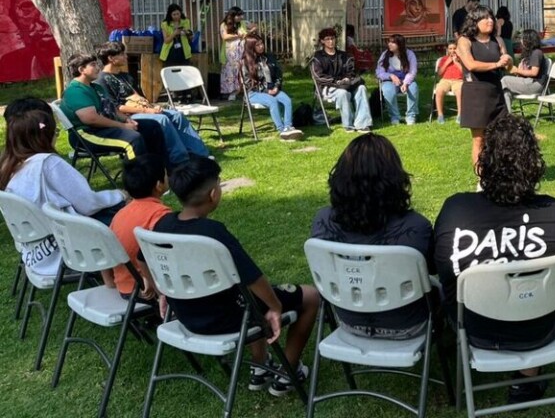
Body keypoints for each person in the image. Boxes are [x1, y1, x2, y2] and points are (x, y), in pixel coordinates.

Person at [433, 114, 555, 404]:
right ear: (534, 162)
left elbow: (441, 270)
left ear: (484, 159)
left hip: (475, 327)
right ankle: (526, 380)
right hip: (542, 327)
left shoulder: (456, 210)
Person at [154, 157, 319, 397]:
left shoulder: (162, 225)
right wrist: (274, 306)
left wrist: (163, 290)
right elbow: (253, 278)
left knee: (246, 296)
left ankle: (260, 368)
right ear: (213, 194)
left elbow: (143, 259)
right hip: (225, 317)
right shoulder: (213, 233)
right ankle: (287, 372)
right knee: (310, 296)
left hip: (187, 315)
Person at [310, 135, 433, 339]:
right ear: (394, 178)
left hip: (350, 322)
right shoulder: (416, 225)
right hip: (407, 324)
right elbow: (430, 269)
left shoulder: (322, 220)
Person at [1, 99, 125, 280]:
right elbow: (89, 204)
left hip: (39, 253)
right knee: (131, 213)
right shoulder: (48, 163)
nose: (56, 136)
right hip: (71, 248)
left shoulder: (9, 168)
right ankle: (134, 274)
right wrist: (120, 194)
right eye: (55, 132)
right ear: (44, 136)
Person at [96, 40, 212, 166]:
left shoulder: (126, 76)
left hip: (142, 109)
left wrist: (152, 106)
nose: (126, 56)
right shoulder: (102, 80)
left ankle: (201, 155)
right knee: (161, 119)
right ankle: (180, 159)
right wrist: (147, 111)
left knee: (176, 115)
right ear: (111, 58)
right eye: (122, 54)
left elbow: (139, 97)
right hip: (127, 116)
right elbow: (116, 108)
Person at [61, 52, 149, 161]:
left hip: (103, 129)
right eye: (93, 65)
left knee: (151, 127)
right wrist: (123, 126)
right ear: (81, 70)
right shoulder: (75, 91)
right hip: (86, 135)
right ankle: (139, 177)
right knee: (133, 139)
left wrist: (127, 120)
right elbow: (91, 119)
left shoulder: (96, 87)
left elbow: (113, 111)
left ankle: (162, 174)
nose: (98, 68)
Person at [456, 6, 511, 168]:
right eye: (485, 18)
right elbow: (471, 65)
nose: (490, 21)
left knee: (502, 136)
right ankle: (481, 177)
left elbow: (507, 66)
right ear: (474, 21)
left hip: (495, 92)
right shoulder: (464, 41)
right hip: (476, 94)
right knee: (479, 139)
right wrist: (496, 63)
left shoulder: (498, 40)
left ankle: (500, 171)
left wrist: (508, 60)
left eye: (491, 18)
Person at [109, 154, 170, 301]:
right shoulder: (160, 214)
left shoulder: (120, 214)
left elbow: (105, 245)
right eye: (167, 174)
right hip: (146, 287)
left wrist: (109, 281)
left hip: (123, 286)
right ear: (159, 185)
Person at [241, 33, 303, 140]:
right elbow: (247, 84)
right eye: (258, 45)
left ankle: (288, 126)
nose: (261, 46)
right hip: (254, 93)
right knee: (272, 101)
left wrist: (276, 87)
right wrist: (266, 91)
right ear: (251, 47)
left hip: (272, 88)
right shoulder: (246, 62)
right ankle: (282, 129)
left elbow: (278, 75)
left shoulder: (269, 57)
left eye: (262, 43)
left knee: (287, 100)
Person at [310, 27, 371, 132]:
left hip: (346, 84)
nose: (331, 41)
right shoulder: (317, 57)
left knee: (361, 88)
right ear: (322, 41)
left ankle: (362, 124)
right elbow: (318, 77)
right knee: (343, 93)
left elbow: (351, 71)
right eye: (327, 39)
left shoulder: (344, 56)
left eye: (332, 38)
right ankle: (348, 125)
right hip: (327, 87)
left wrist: (347, 78)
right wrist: (335, 82)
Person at [376, 34, 420, 126]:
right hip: (390, 81)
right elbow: (379, 72)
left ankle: (411, 116)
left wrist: (406, 83)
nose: (389, 44)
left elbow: (412, 71)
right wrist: (390, 76)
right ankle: (395, 116)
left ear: (400, 44)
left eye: (393, 43)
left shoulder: (409, 54)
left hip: (406, 79)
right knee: (388, 90)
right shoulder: (385, 55)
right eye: (389, 42)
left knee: (413, 88)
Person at [500, 28, 547, 112]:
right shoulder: (530, 53)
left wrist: (517, 70)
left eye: (523, 38)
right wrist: (519, 70)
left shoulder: (537, 53)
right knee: (506, 91)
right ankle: (507, 115)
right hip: (528, 82)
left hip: (535, 85)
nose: (521, 41)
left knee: (505, 80)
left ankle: (502, 113)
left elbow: (534, 73)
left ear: (528, 40)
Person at [219, 6, 247, 100]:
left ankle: (240, 91)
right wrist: (237, 36)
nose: (240, 18)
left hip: (240, 51)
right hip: (229, 52)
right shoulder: (224, 24)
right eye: (238, 16)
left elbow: (252, 28)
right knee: (229, 72)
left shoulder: (242, 23)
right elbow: (225, 36)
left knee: (240, 70)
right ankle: (229, 92)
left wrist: (250, 31)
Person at [433, 42, 463, 124]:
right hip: (445, 80)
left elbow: (464, 73)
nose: (452, 50)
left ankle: (460, 115)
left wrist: (456, 62)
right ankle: (440, 115)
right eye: (450, 48)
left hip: (458, 80)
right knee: (439, 90)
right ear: (448, 50)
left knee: (460, 91)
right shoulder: (444, 59)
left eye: (454, 48)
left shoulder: (462, 58)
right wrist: (447, 62)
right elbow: (439, 73)